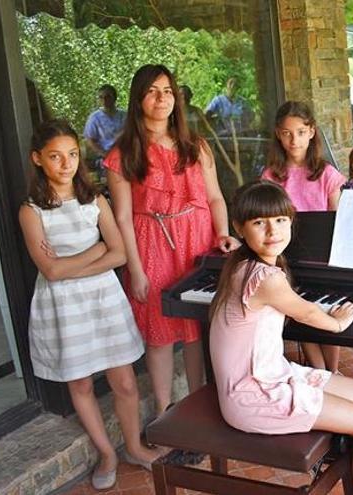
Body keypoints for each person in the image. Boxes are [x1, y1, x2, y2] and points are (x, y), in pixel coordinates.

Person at [210, 180, 353, 494]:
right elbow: (309, 315)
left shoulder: (241, 264)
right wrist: (338, 323)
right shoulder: (265, 277)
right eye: (260, 223)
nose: (273, 232)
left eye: (280, 221)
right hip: (253, 394)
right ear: (239, 228)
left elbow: (295, 307)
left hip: (272, 373)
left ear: (290, 221)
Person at [20, 120, 159, 489]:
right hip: (63, 307)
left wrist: (72, 264)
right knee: (79, 383)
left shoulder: (94, 200)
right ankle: (107, 453)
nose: (65, 164)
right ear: (38, 159)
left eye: (72, 154)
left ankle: (132, 446)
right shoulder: (32, 211)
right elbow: (49, 270)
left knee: (125, 382)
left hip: (103, 299)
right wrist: (94, 250)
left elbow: (118, 255)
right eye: (54, 156)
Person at [106, 64, 240, 417]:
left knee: (196, 325)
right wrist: (134, 270)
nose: (161, 98)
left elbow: (214, 198)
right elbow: (121, 217)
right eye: (152, 91)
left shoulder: (195, 146)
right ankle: (166, 411)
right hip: (150, 243)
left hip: (197, 240)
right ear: (138, 100)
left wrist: (223, 233)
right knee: (159, 331)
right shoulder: (123, 153)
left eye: (167, 90)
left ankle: (200, 404)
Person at [261, 100, 346, 372]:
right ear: (278, 134)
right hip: (286, 259)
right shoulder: (271, 176)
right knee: (300, 312)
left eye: (300, 132)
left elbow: (338, 219)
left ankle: (332, 371)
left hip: (323, 257)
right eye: (286, 133)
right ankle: (317, 369)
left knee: (327, 312)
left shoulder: (327, 174)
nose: (293, 140)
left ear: (311, 132)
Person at [83, 85, 126, 186]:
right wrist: (104, 154)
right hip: (105, 156)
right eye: (101, 97)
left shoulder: (124, 116)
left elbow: (131, 135)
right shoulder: (95, 118)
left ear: (114, 98)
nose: (104, 100)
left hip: (125, 154)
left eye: (108, 96)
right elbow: (90, 140)